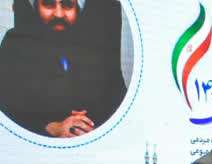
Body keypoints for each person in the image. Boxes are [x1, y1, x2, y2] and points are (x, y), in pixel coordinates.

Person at [0, 0, 127, 137]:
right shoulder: (14, 45)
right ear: (36, 7)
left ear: (78, 9)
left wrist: (88, 120)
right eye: (48, 4)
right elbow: (7, 109)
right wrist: (51, 127)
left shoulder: (98, 48)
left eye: (67, 5)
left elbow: (118, 103)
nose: (59, 14)